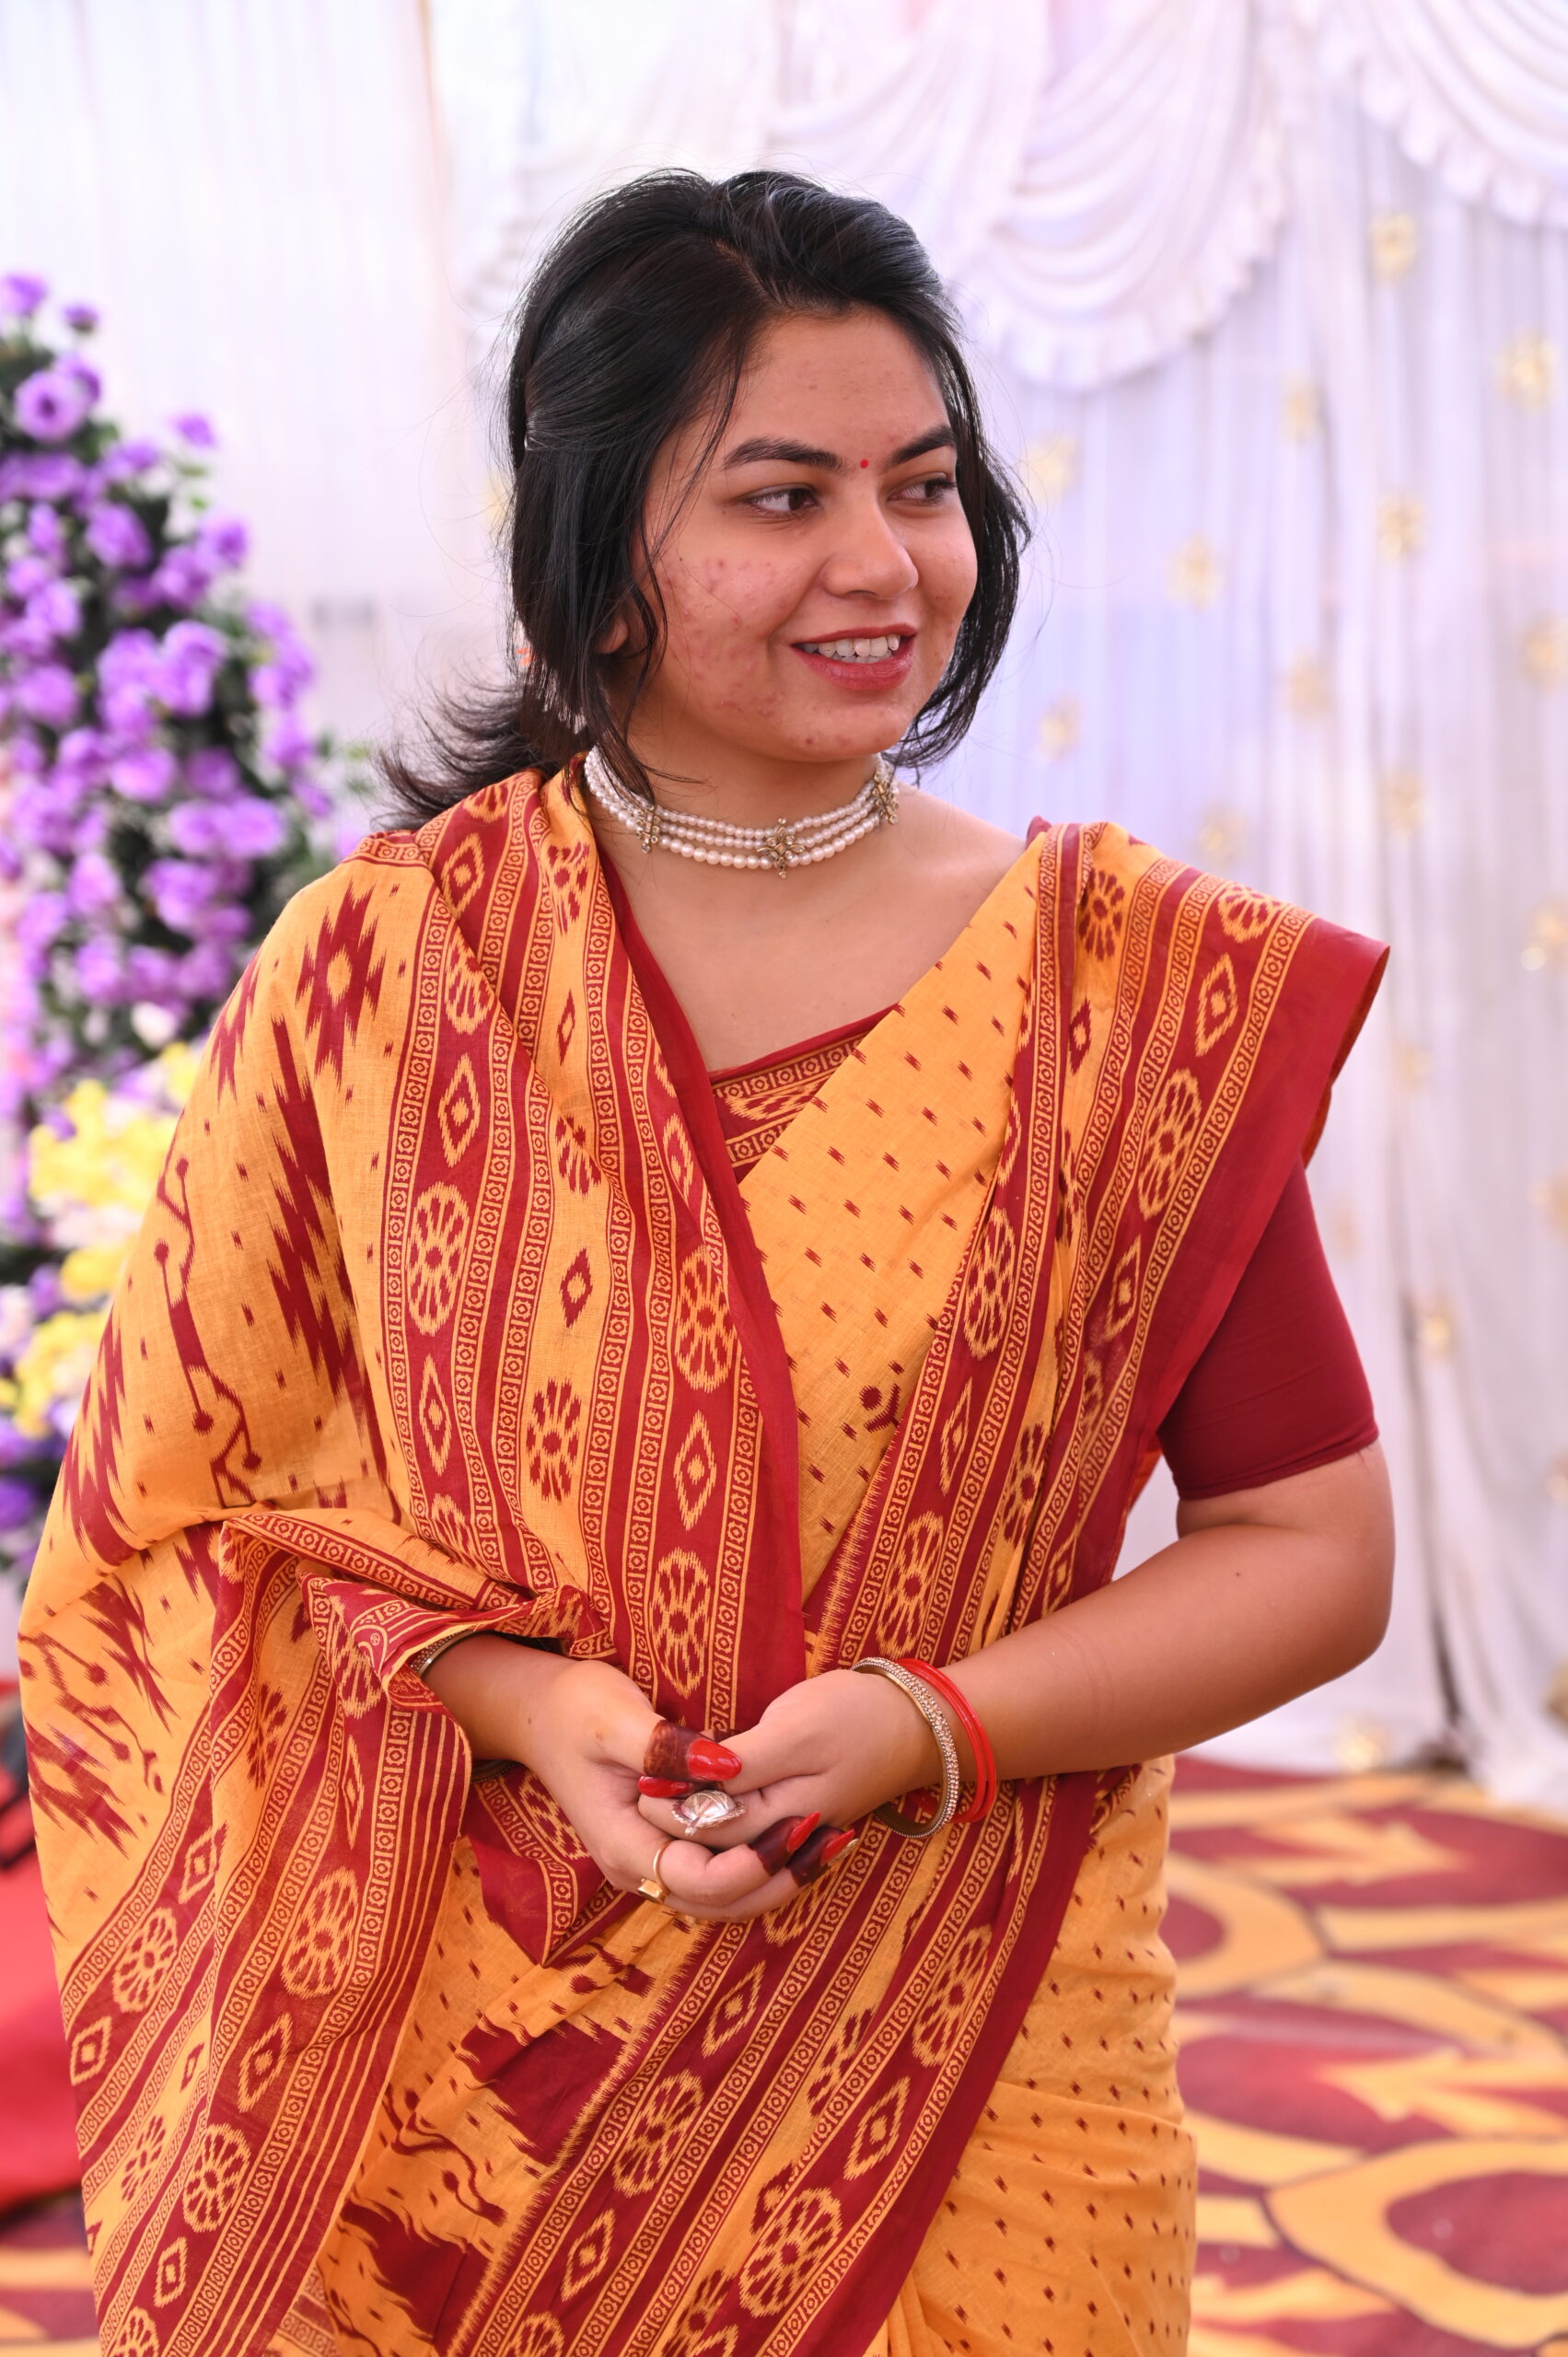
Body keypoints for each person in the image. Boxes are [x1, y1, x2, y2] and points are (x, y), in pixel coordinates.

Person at [20, 170, 1392, 2357]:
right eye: (783, 494)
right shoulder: (391, 966)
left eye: (923, 485)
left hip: (973, 2047)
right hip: (463, 2072)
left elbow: (1308, 1541)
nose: (885, 562)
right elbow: (203, 1522)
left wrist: (934, 1720)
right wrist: (530, 1700)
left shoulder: (1129, 995)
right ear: (600, 553)